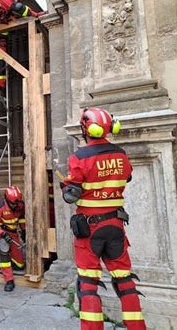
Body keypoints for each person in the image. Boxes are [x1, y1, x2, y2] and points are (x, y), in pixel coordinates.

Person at [61, 108, 146, 330]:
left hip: (89, 229)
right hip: (116, 226)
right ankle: (137, 326)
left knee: (88, 283)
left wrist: (67, 186)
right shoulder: (121, 155)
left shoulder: (79, 158)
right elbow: (126, 176)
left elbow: (71, 196)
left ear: (85, 129)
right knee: (124, 279)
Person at [0, 186, 26, 292]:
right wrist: (3, 234)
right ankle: (9, 280)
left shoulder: (20, 205)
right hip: (1, 232)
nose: (15, 206)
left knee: (20, 266)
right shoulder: (0, 206)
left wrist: (24, 231)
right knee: (4, 249)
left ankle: (0, 255)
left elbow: (22, 218)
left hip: (13, 233)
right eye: (13, 204)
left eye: (16, 203)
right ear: (7, 200)